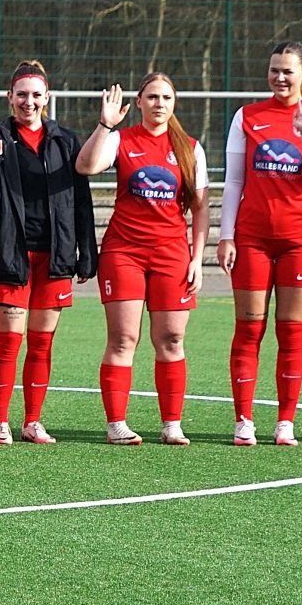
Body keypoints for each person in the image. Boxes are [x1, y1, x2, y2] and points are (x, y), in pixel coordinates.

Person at [0, 60, 95, 445]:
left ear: (47, 97)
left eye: (36, 95)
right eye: (21, 94)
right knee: (9, 342)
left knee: (41, 343)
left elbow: (81, 199)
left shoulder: (65, 140)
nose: (29, 101)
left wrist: (87, 250)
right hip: (10, 254)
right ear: (10, 97)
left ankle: (32, 421)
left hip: (54, 257)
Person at [75, 73, 210, 445]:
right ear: (139, 102)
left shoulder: (190, 148)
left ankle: (171, 425)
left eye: (166, 97)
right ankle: (116, 424)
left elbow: (201, 209)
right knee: (123, 338)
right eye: (152, 97)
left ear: (174, 102)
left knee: (172, 338)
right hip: (124, 253)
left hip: (172, 254)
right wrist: (105, 124)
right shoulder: (121, 139)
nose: (159, 103)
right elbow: (85, 166)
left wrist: (197, 258)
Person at [219, 42, 302, 446]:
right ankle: (244, 420)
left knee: (291, 332)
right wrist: (226, 235)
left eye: (288, 71)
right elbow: (234, 181)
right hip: (252, 239)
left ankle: (285, 421)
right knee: (249, 329)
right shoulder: (247, 115)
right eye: (274, 70)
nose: (280, 78)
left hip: (299, 242)